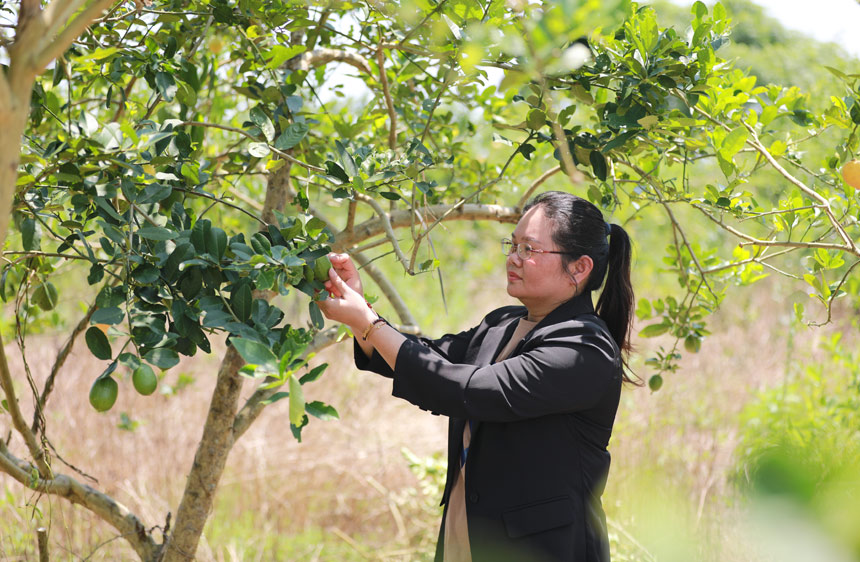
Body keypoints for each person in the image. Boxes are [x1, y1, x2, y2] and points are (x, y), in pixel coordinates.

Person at [318, 191, 636, 562]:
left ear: (579, 268)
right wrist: (360, 307)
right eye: (512, 245)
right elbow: (430, 358)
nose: (513, 258)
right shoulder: (502, 323)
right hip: (467, 534)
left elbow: (468, 390)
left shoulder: (583, 347)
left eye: (529, 250)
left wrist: (367, 322)